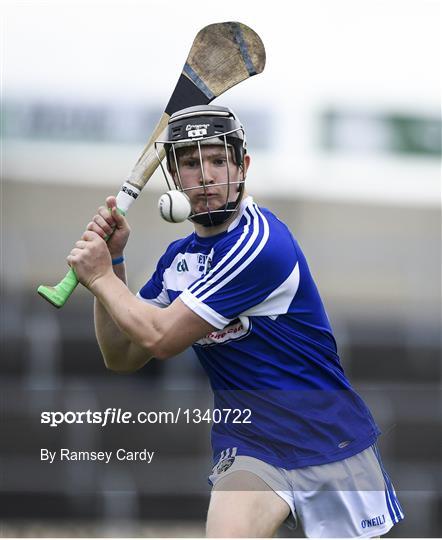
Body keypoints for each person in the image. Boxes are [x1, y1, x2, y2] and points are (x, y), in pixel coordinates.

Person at [67, 104, 404, 538]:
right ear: (174, 176)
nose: (205, 175)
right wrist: (112, 264)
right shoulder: (179, 261)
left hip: (331, 444)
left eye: (217, 159)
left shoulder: (261, 244)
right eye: (191, 163)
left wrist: (97, 276)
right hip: (251, 448)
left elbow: (161, 337)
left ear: (242, 166)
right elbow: (122, 355)